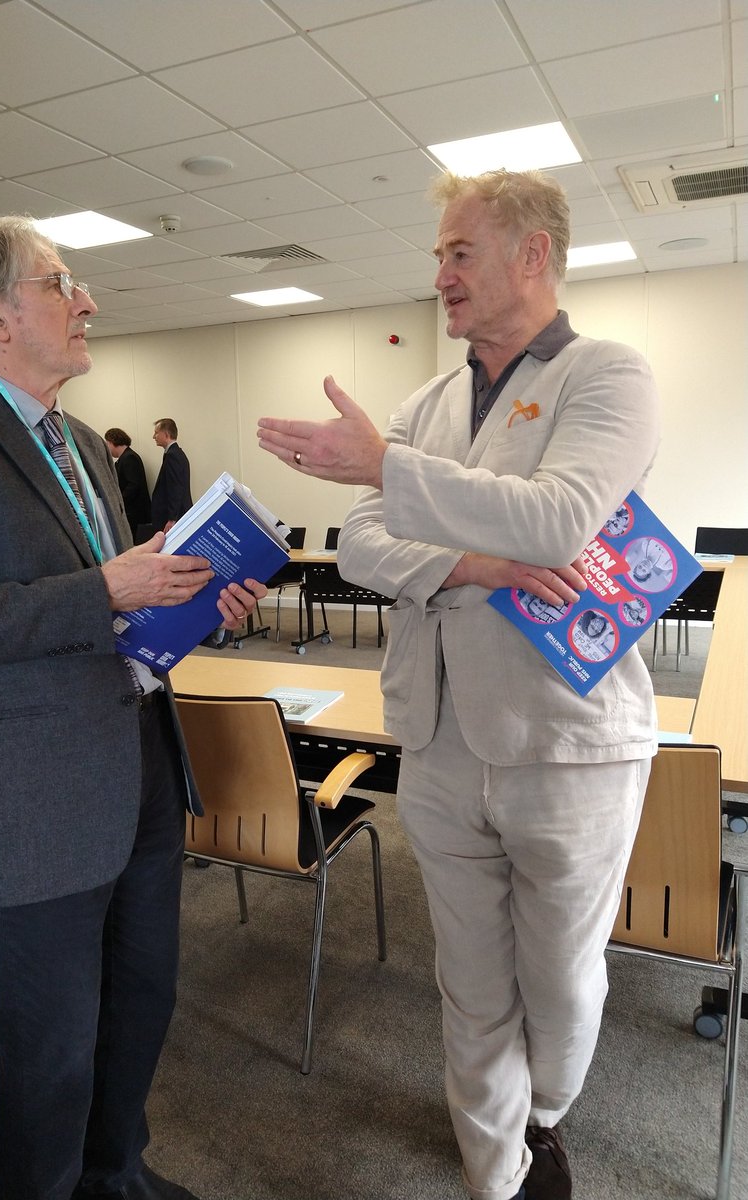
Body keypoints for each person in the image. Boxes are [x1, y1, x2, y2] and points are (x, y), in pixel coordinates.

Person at [257, 168, 661, 1200]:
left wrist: (389, 469)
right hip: (435, 736)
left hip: (566, 742)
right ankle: (500, 1175)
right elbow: (359, 543)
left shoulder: (607, 376)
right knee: (471, 979)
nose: (438, 274)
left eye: (459, 252)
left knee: (560, 981)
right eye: (437, 254)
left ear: (533, 254)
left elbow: (556, 520)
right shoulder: (428, 403)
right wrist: (474, 563)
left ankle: (546, 1114)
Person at [0, 215, 266, 1200]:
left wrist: (193, 603)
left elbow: (111, 613)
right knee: (51, 1037)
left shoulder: (83, 443)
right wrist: (111, 590)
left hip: (138, 759)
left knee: (141, 999)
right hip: (33, 788)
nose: (86, 300)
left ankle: (113, 1172)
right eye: (59, 283)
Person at [105, 427, 151, 540]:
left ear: (113, 441)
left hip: (134, 513)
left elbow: (133, 485)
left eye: (107, 443)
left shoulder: (129, 458)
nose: (107, 448)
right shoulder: (125, 458)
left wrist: (119, 501)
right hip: (132, 512)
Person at [151, 418, 192, 531]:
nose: (154, 436)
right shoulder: (175, 453)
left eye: (156, 433)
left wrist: (172, 519)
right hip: (175, 515)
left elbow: (176, 488)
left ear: (166, 434)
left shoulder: (172, 456)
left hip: (174, 517)